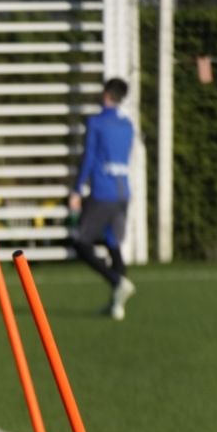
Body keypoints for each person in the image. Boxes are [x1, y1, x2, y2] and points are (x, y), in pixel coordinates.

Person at [68, 77, 136, 321]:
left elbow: (89, 157)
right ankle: (116, 306)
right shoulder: (128, 125)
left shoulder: (96, 122)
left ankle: (117, 280)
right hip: (122, 193)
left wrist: (77, 190)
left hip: (103, 192)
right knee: (113, 243)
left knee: (79, 241)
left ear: (106, 94)